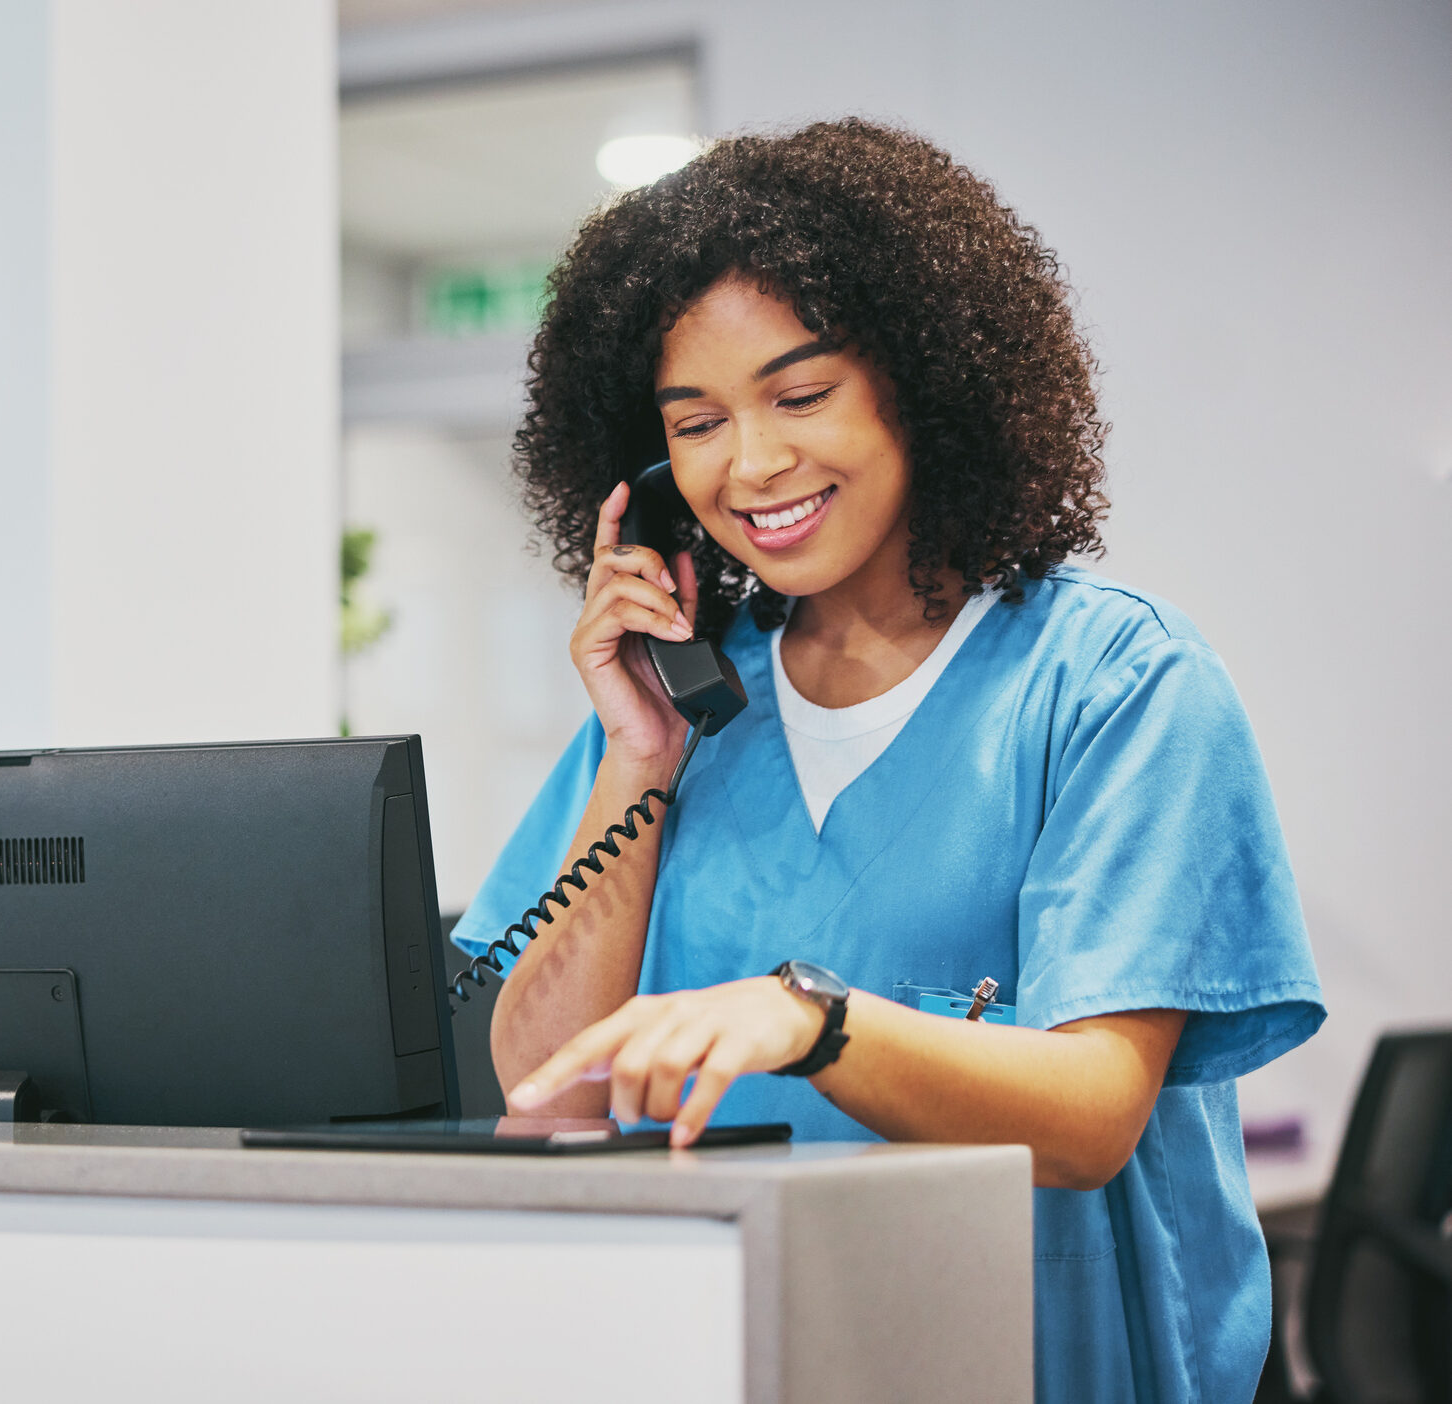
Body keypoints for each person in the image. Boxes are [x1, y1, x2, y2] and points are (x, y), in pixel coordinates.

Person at [450, 119, 1325, 1403]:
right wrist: (639, 750)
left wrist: (812, 1020)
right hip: (741, 1352)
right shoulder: (677, 706)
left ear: (922, 383)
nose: (749, 465)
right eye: (695, 425)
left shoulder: (1115, 683)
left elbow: (1089, 1113)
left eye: (801, 396)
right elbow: (545, 1086)